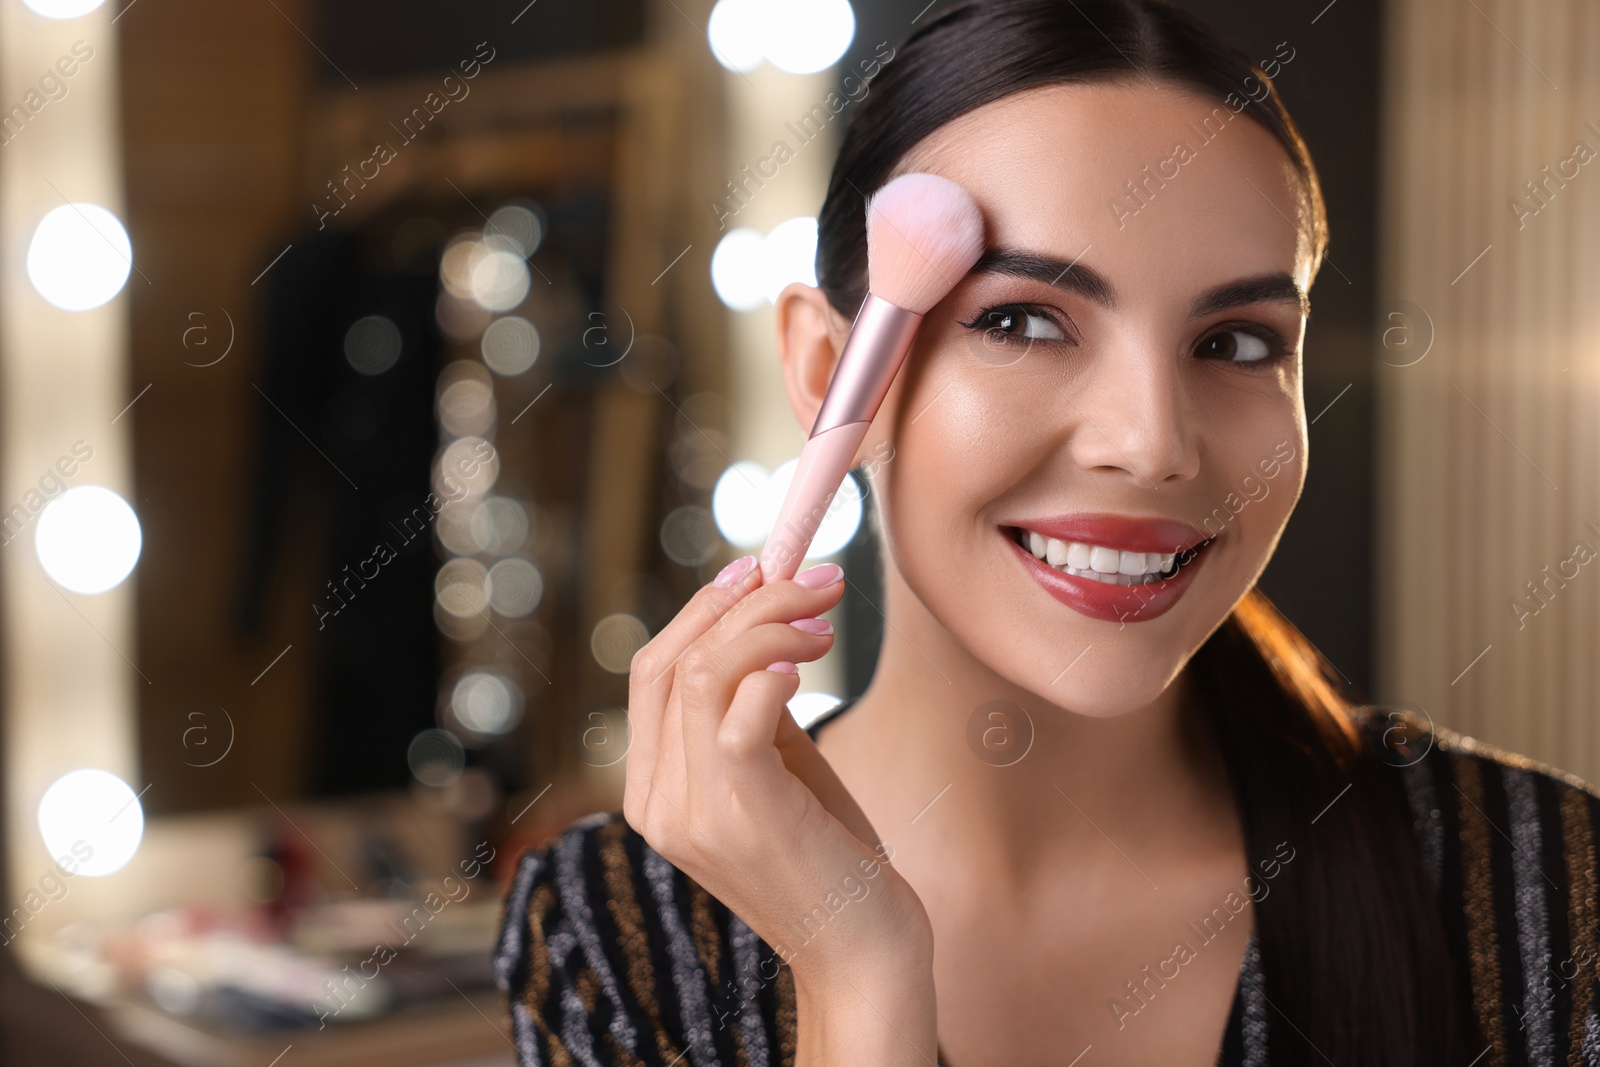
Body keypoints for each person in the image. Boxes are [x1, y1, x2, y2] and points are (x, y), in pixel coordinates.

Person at [495, 1, 1600, 1063]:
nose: (1151, 442)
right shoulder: (613, 936)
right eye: (1022, 321)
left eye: (1238, 342)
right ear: (832, 372)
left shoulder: (1542, 882)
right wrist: (858, 972)